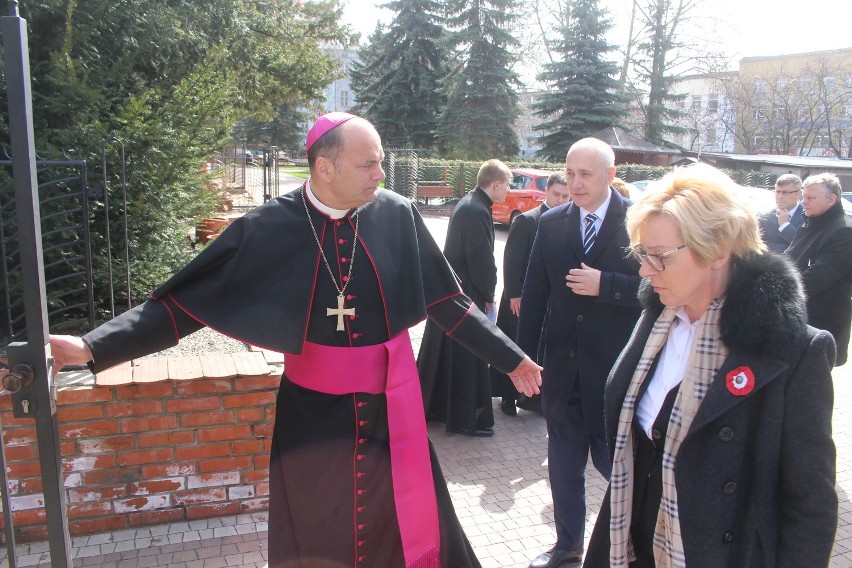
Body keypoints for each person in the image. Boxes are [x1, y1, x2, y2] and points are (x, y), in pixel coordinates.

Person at [49, 113, 542, 568]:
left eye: (382, 163)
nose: (380, 174)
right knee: (317, 528)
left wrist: (511, 358)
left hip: (392, 409)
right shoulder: (268, 227)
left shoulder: (397, 215)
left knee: (406, 519)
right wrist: (93, 347)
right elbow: (183, 306)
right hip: (311, 418)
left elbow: (447, 302)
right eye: (368, 163)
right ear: (325, 167)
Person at [583, 163, 838, 567]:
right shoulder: (659, 317)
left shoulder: (792, 351)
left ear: (717, 250)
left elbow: (810, 503)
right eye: (641, 254)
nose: (645, 271)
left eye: (659, 257)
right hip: (632, 539)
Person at [517, 138, 643, 568]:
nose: (574, 183)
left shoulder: (640, 222)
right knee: (564, 468)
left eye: (585, 174)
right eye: (569, 173)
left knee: (621, 470)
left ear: (610, 175)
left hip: (615, 376)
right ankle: (568, 544)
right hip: (563, 372)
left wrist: (606, 284)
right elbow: (534, 295)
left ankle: (639, 544)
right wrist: (521, 360)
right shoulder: (551, 223)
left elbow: (660, 292)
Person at [418, 159, 512, 437]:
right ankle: (466, 419)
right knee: (469, 354)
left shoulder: (470, 203)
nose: (508, 191)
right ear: (496, 184)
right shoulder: (477, 211)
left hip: (454, 289)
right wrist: (489, 295)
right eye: (507, 185)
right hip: (467, 291)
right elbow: (481, 260)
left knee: (448, 355)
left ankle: (439, 410)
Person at [491, 172, 570, 416]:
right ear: (547, 192)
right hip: (519, 298)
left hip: (546, 300)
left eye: (565, 196)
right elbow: (511, 260)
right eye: (556, 194)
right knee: (513, 346)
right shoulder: (528, 220)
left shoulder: (566, 221)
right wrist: (515, 294)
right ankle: (506, 395)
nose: (560, 200)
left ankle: (532, 398)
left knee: (537, 349)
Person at [786, 172, 852, 366]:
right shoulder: (810, 224)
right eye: (803, 197)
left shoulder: (843, 231)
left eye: (810, 197)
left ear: (831, 199)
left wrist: (777, 291)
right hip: (798, 321)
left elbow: (816, 278)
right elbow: (789, 259)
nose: (804, 202)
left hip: (820, 327)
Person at [757, 173, 804, 253]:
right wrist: (791, 250)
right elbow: (758, 244)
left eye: (785, 193)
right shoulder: (764, 215)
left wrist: (785, 226)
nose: (780, 196)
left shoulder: (808, 216)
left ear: (799, 193)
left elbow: (803, 244)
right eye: (777, 192)